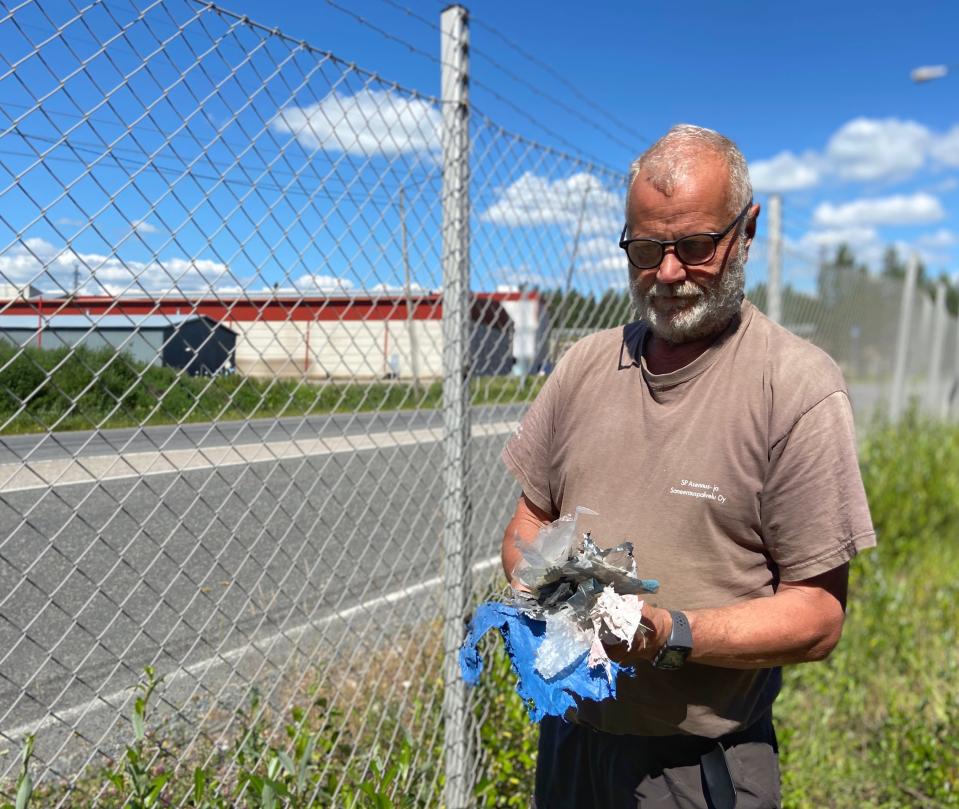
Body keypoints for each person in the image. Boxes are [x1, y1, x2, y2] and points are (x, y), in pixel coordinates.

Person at [499, 124, 875, 809]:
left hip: (699, 770)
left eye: (696, 246)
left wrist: (668, 633)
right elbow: (527, 520)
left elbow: (818, 614)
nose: (668, 273)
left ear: (746, 229)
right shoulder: (584, 365)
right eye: (645, 249)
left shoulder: (793, 386)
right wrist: (557, 592)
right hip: (572, 744)